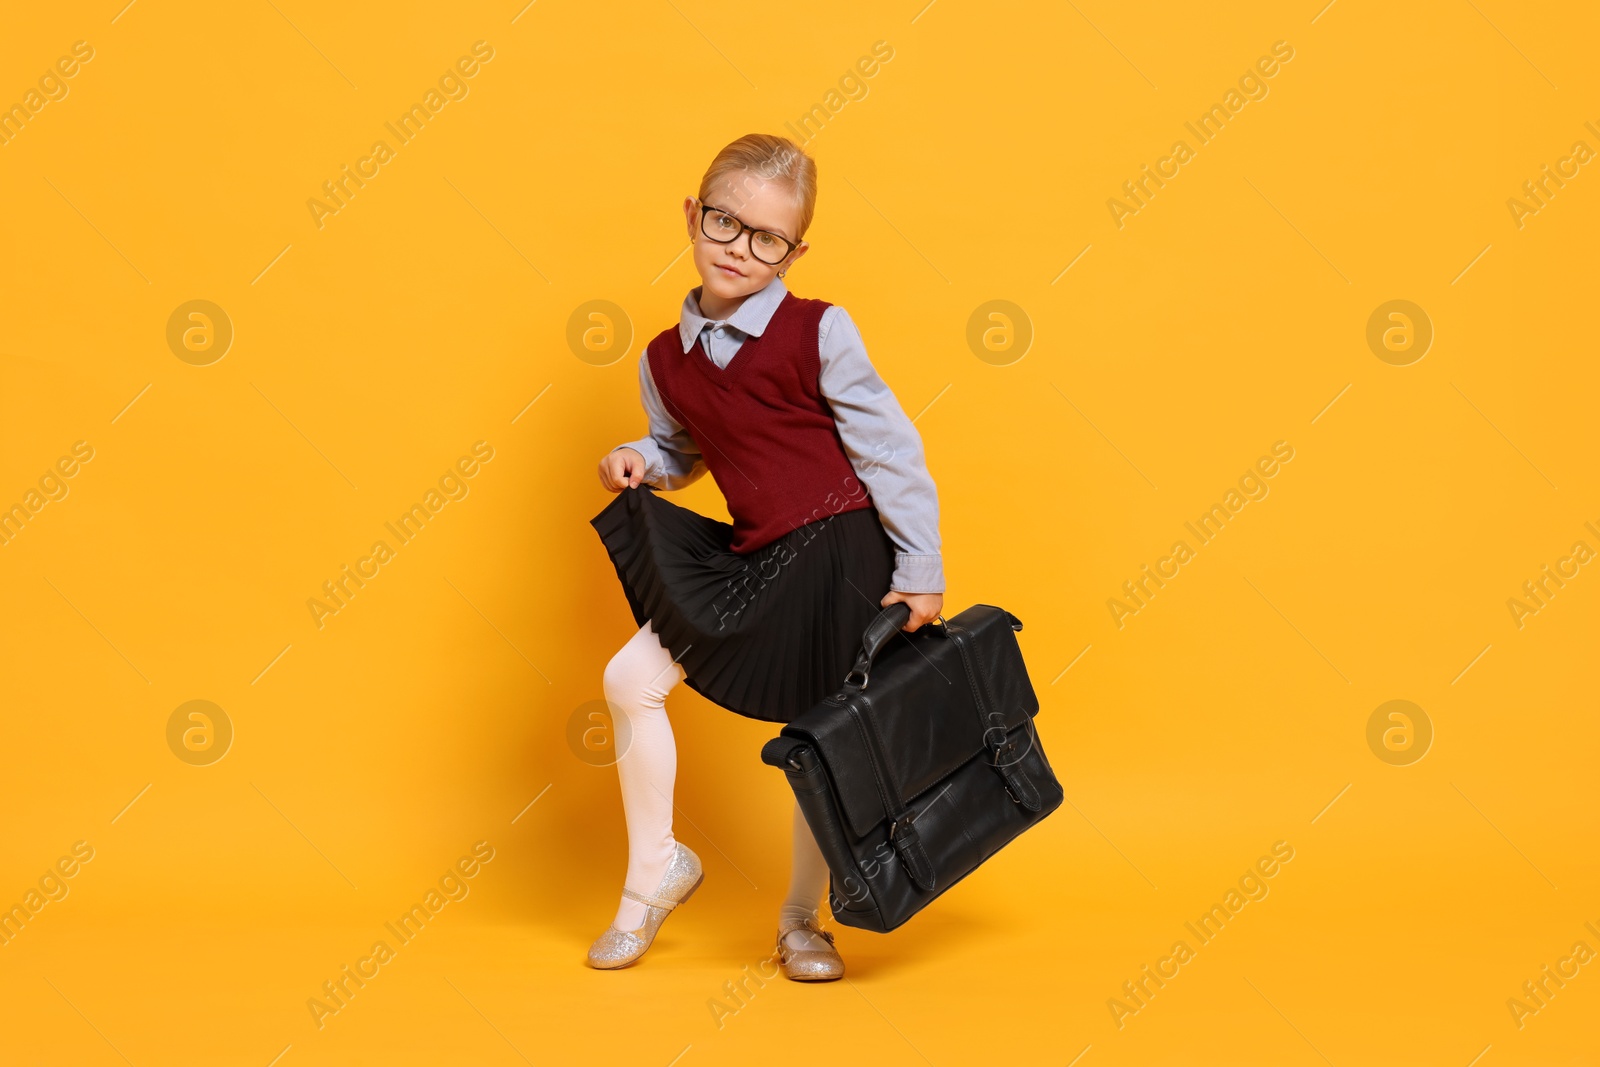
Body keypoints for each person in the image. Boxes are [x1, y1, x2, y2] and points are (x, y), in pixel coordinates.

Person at [587, 132, 944, 980]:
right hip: (756, 560)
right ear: (692, 215)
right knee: (627, 680)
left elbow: (891, 449)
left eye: (767, 239)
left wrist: (919, 569)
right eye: (723, 222)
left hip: (840, 556)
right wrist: (643, 458)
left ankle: (802, 921)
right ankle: (654, 874)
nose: (739, 249)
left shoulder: (819, 330)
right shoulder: (663, 360)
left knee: (818, 738)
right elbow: (685, 450)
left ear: (794, 251)